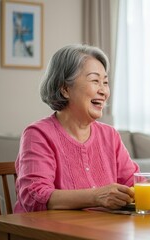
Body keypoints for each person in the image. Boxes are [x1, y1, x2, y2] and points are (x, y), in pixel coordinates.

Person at [14, 44, 140, 213]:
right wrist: (96, 197)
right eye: (95, 81)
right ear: (65, 89)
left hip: (101, 231)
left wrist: (146, 187)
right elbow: (35, 197)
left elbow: (133, 183)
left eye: (105, 82)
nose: (104, 91)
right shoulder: (38, 134)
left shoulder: (110, 135)